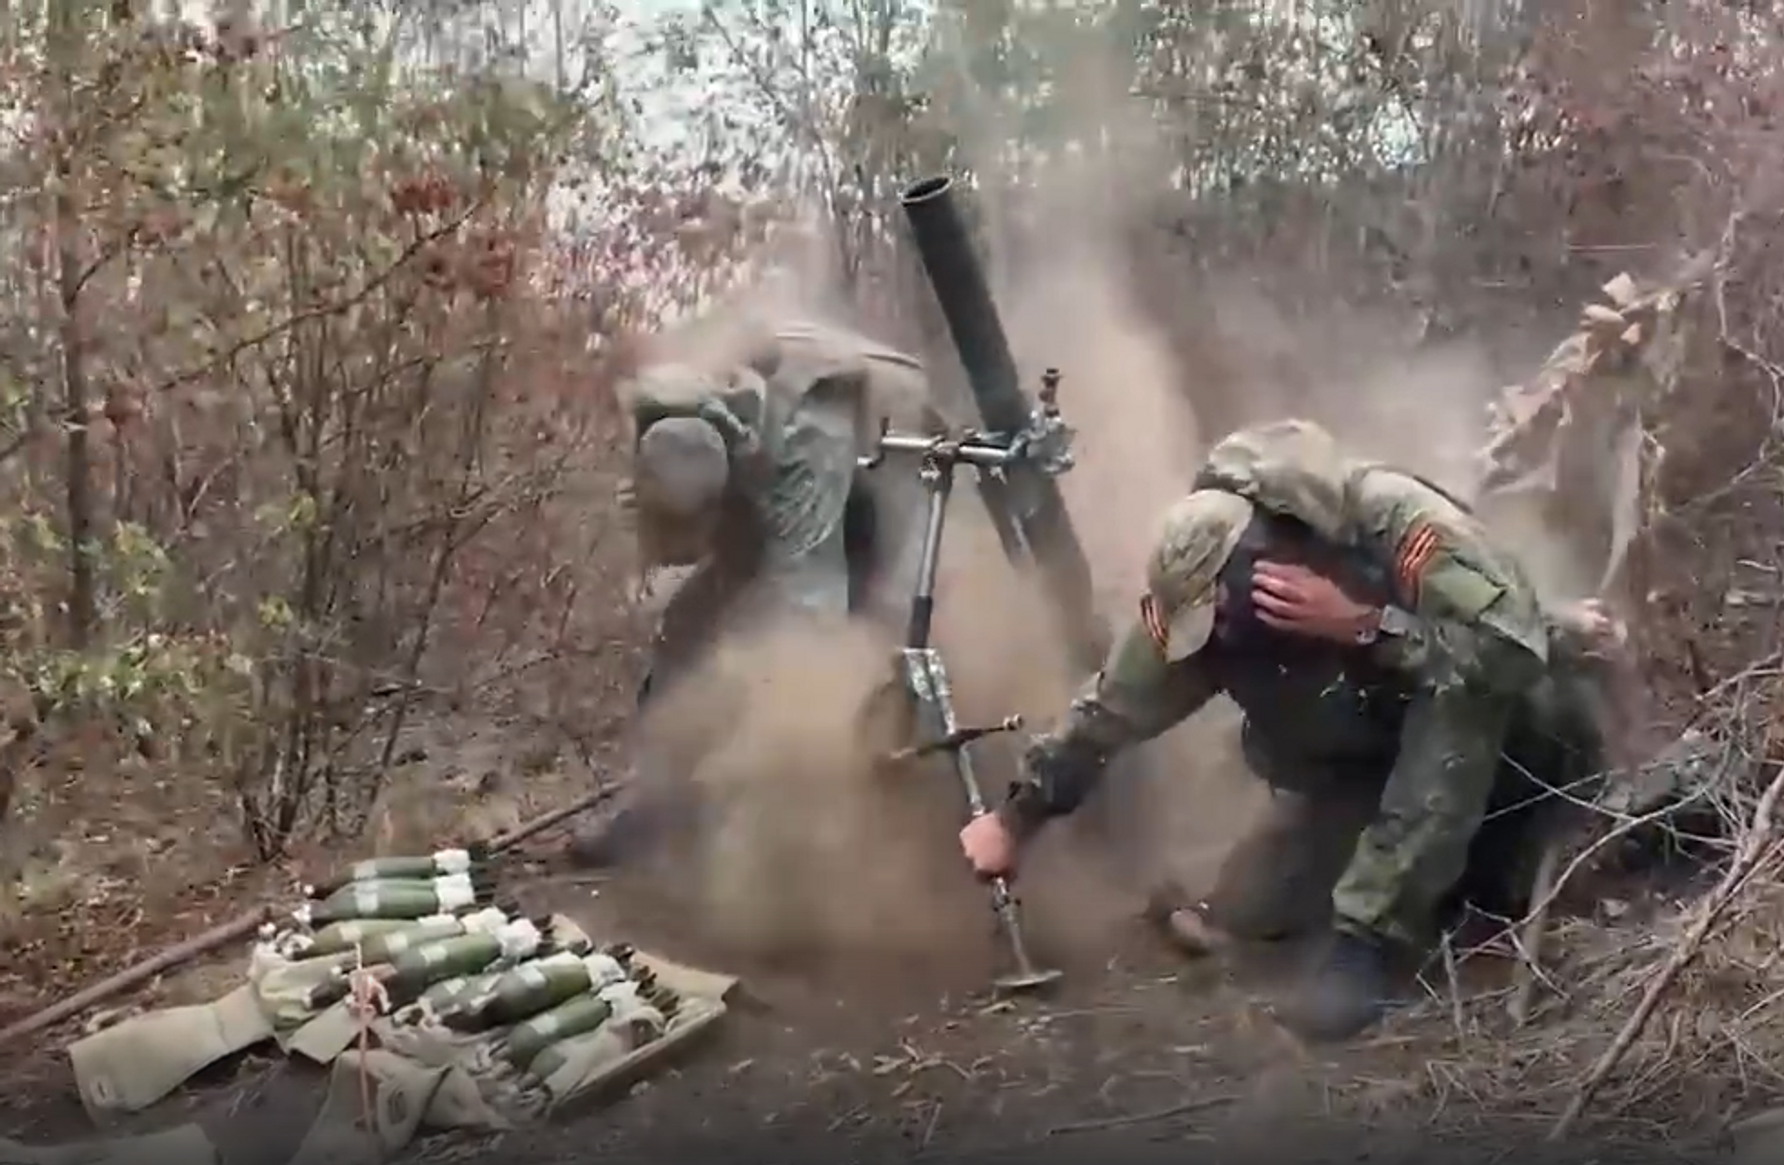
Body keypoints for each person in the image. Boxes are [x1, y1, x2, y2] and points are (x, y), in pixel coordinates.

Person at [956, 418, 1610, 1042]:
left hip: (1516, 746)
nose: (1222, 641)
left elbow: (1511, 654)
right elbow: (1114, 706)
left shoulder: (1393, 522)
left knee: (1456, 698)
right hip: (1379, 764)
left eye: (1228, 623)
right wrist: (1017, 817)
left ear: (1268, 566)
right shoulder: (1209, 596)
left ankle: (1372, 941)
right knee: (1254, 911)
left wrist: (1365, 625)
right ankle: (1416, 880)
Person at [568, 317, 947, 867]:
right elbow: (677, 540)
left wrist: (744, 728)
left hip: (877, 459)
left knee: (862, 628)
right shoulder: (663, 422)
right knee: (687, 626)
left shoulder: (810, 436)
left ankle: (834, 826)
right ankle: (655, 809)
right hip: (761, 467)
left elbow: (806, 623)